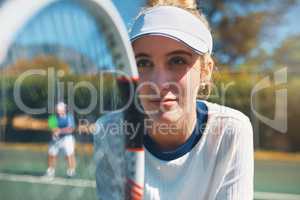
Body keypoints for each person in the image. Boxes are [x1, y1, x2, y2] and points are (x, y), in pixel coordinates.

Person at [94, 0, 254, 199]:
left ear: (206, 71)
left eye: (177, 61)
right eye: (143, 62)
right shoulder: (110, 133)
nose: (159, 84)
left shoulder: (231, 131)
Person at [45, 102, 76, 178]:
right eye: (58, 110)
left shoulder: (69, 117)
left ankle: (71, 171)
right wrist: (56, 131)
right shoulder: (52, 118)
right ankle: (50, 171)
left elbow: (71, 129)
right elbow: (53, 128)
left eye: (61, 109)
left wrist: (60, 131)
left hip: (67, 139)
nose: (59, 111)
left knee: (69, 155)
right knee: (51, 155)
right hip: (56, 139)